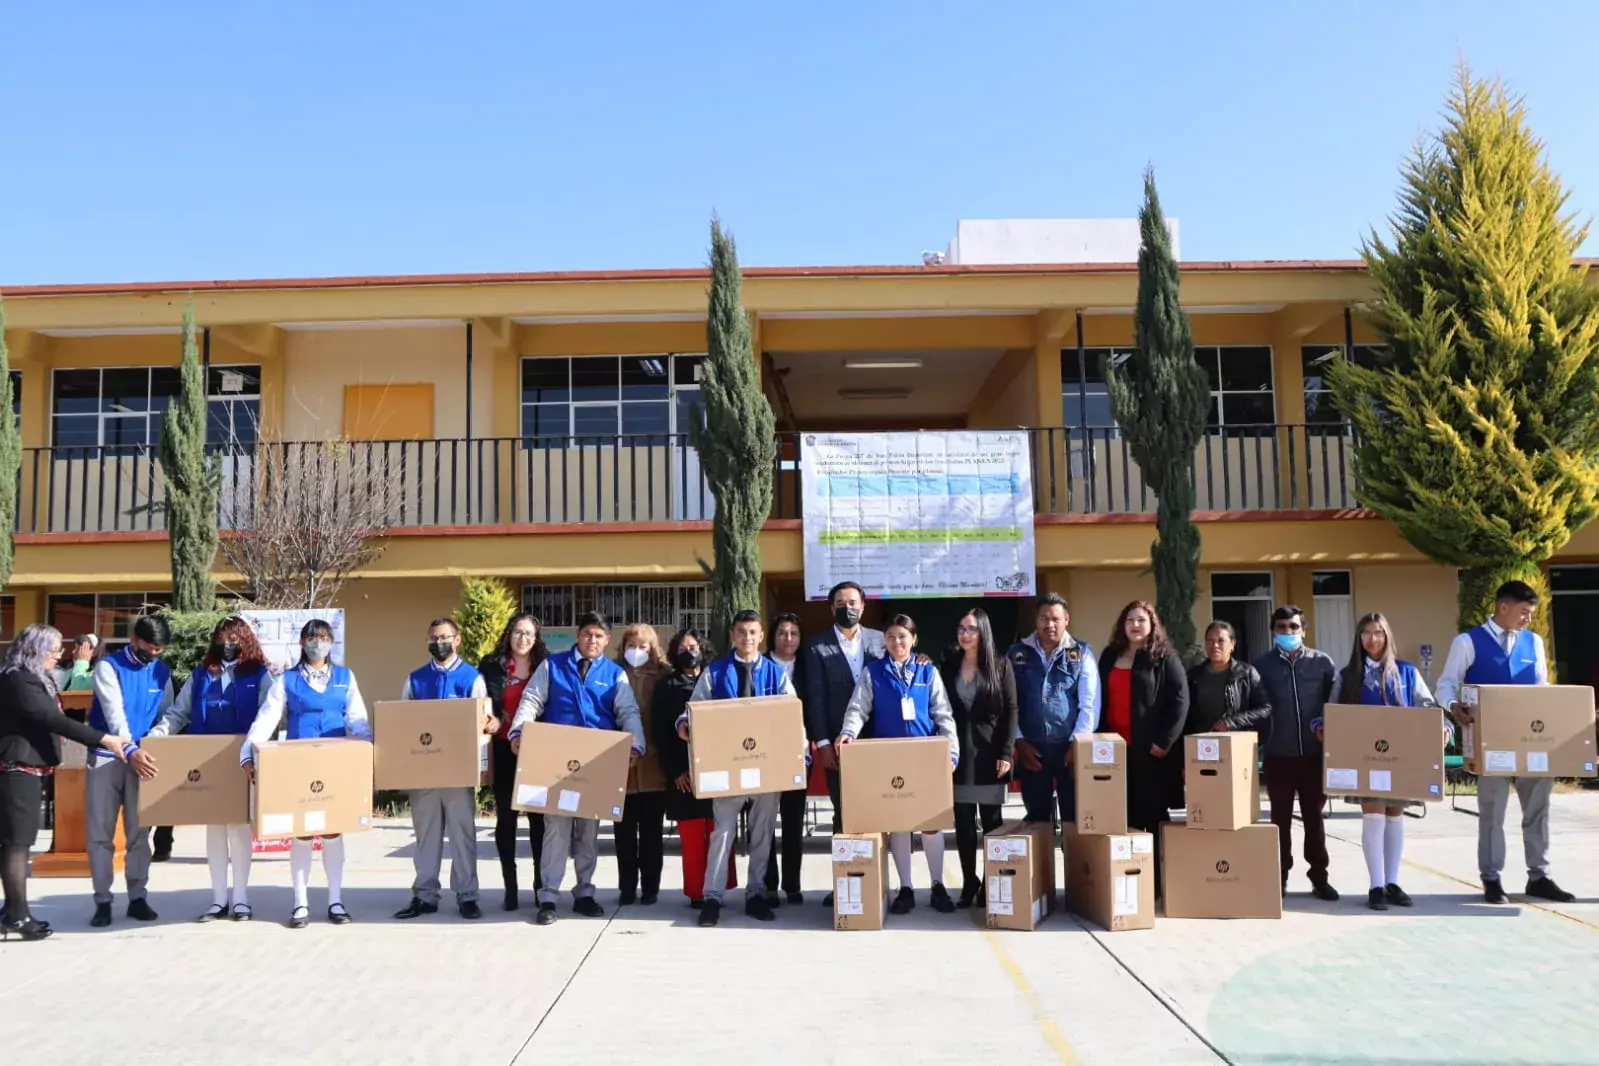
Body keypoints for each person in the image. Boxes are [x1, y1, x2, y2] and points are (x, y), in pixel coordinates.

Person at [0, 625, 150, 941]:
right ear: (35, 649)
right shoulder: (19, 680)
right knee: (17, 845)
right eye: (53, 650)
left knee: (17, 842)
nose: (59, 655)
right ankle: (18, 914)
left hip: (29, 769)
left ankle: (12, 908)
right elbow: (52, 719)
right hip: (17, 770)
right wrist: (105, 738)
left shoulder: (31, 678)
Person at [1436, 580, 1576, 904]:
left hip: (1532, 742)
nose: (1529, 619)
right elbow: (1446, 683)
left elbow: (1542, 687)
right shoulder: (1467, 642)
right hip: (1491, 744)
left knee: (1538, 809)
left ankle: (1539, 875)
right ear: (1504, 607)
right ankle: (1491, 877)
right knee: (1492, 811)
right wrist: (1452, 706)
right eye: (1525, 612)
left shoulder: (1534, 643)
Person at [510, 612, 646, 926]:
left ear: (607, 640)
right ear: (577, 635)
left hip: (597, 763)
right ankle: (548, 896)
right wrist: (518, 732)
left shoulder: (614, 674)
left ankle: (584, 893)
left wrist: (636, 745)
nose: (593, 641)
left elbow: (627, 710)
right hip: (556, 761)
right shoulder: (553, 666)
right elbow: (532, 699)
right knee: (555, 830)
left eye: (599, 636)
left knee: (588, 832)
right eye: (587, 634)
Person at [148, 616, 280, 922]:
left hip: (242, 761)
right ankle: (218, 899)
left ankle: (241, 899)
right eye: (222, 638)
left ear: (245, 640)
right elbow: (178, 713)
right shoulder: (201, 675)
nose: (227, 644)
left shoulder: (260, 675)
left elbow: (270, 716)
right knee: (215, 830)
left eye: (234, 638)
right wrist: (156, 736)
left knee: (238, 829)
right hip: (206, 761)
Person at [242, 619, 370, 928]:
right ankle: (300, 903)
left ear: (331, 642)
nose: (318, 643)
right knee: (300, 831)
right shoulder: (286, 680)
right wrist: (249, 752)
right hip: (299, 763)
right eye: (312, 637)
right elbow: (267, 717)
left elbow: (358, 718)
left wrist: (367, 750)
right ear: (302, 642)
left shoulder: (344, 677)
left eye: (324, 637)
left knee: (332, 830)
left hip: (336, 761)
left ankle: (336, 901)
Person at [677, 610, 798, 927]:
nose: (747, 638)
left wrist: (800, 754)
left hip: (767, 766)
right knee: (723, 833)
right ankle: (712, 897)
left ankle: (755, 893)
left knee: (762, 834)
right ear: (733, 635)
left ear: (761, 636)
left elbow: (791, 715)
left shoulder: (776, 674)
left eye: (753, 632)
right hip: (726, 767)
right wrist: (684, 724)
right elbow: (693, 708)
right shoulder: (715, 673)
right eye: (741, 632)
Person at [838, 613, 960, 914]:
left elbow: (943, 714)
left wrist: (951, 752)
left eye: (903, 637)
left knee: (931, 825)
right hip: (889, 757)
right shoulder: (873, 672)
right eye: (891, 637)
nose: (897, 642)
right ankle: (905, 887)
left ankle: (936, 885)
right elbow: (858, 707)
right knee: (899, 824)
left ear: (914, 640)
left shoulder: (927, 672)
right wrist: (848, 732)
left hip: (924, 756)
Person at [1333, 612, 1446, 911]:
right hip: (1365, 756)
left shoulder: (1407, 672)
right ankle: (1376, 885)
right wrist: (1322, 724)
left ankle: (1393, 882)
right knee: (1374, 815)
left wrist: (1441, 726)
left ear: (1388, 637)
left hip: (1400, 756)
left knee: (1395, 816)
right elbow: (1332, 711)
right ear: (1359, 638)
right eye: (1367, 633)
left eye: (1379, 632)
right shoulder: (1347, 676)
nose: (1373, 638)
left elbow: (1426, 705)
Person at [393, 617, 496, 922]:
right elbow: (401, 722)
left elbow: (483, 723)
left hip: (458, 772)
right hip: (423, 773)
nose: (439, 642)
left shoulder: (471, 678)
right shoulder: (415, 679)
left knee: (462, 835)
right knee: (426, 835)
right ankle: (425, 895)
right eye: (434, 637)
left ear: (457, 640)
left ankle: (467, 895)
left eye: (445, 637)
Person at [86, 614, 175, 927]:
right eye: (150, 647)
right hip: (107, 758)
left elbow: (167, 716)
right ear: (135, 639)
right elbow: (115, 717)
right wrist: (130, 749)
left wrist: (156, 742)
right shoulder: (108, 667)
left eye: (160, 649)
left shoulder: (162, 673)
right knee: (101, 833)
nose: (154, 654)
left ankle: (138, 896)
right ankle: (102, 901)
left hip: (143, 762)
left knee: (140, 833)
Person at [802, 580, 884, 906]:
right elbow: (816, 698)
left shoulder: (882, 640)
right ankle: (844, 883)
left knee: (878, 811)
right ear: (831, 607)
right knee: (843, 814)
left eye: (852, 601)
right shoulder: (816, 647)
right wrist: (822, 743)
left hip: (877, 742)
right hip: (837, 745)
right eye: (839, 602)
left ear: (863, 606)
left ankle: (876, 880)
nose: (846, 607)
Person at [1098, 601, 1189, 889]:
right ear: (1122, 625)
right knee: (1122, 818)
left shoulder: (1165, 656)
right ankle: (1127, 878)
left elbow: (1180, 700)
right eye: (1129, 620)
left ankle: (1158, 883)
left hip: (1150, 752)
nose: (1135, 625)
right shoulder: (1110, 655)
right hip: (1113, 751)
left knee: (1152, 818)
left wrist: (1164, 742)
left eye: (1141, 620)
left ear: (1152, 625)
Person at [1253, 605, 1339, 901]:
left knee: (1314, 817)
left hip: (1314, 755)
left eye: (1293, 626)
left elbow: (1335, 706)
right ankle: (1279, 877)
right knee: (1280, 819)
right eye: (1281, 627)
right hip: (1278, 754)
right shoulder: (1261, 666)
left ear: (1304, 629)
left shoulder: (1322, 664)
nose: (1287, 632)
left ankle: (1319, 877)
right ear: (1273, 631)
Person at [651, 628, 736, 908]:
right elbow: (661, 733)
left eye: (694, 645)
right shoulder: (667, 686)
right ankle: (697, 892)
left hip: (717, 767)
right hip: (683, 772)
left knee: (718, 828)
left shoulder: (716, 679)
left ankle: (719, 887)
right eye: (683, 648)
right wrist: (676, 771)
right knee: (692, 835)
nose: (690, 651)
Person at [939, 608, 1018, 908]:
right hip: (957, 755)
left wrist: (1006, 752)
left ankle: (991, 880)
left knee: (992, 823)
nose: (965, 633)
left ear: (983, 632)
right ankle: (969, 881)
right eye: (961, 628)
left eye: (971, 628)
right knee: (962, 822)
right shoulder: (949, 664)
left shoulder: (1000, 665)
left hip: (989, 754)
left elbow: (1011, 710)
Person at [1010, 593, 1101, 828]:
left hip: (1069, 750)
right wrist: (1019, 741)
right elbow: (1008, 703)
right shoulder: (1016, 654)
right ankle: (1040, 864)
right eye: (1044, 618)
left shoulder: (1081, 654)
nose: (1049, 625)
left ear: (1066, 620)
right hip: (1032, 750)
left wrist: (1077, 745)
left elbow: (1089, 705)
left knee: (1073, 817)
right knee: (1037, 820)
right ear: (1036, 620)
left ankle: (1074, 865)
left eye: (1055, 619)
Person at [479, 613, 547, 911]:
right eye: (518, 632)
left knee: (537, 821)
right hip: (504, 748)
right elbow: (480, 701)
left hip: (536, 751)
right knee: (506, 819)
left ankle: (540, 885)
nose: (523, 639)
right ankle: (510, 887)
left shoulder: (545, 666)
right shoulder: (491, 666)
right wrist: (488, 718)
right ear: (509, 634)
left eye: (529, 634)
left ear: (536, 639)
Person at [615, 622, 669, 906]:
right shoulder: (612, 673)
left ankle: (650, 888)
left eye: (643, 646)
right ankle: (626, 888)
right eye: (632, 646)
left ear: (653, 649)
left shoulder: (663, 675)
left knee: (651, 834)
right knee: (623, 834)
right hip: (618, 769)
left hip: (653, 768)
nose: (637, 651)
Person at [764, 612, 807, 905]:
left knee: (793, 823)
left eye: (793, 633)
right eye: (782, 633)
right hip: (763, 755)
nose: (788, 638)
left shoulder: (808, 666)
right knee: (764, 823)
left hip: (798, 755)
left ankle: (792, 884)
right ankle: (768, 884)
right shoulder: (761, 664)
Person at [1184, 621, 1273, 738]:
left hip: (1236, 744)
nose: (1215, 645)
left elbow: (1265, 709)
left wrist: (1231, 722)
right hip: (1201, 745)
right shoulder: (1194, 676)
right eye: (1210, 641)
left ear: (1232, 645)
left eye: (1221, 641)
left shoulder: (1246, 673)